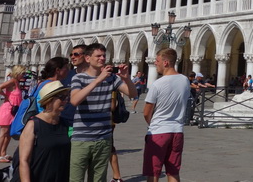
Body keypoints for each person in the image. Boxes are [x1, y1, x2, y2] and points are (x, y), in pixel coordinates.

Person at [69, 43, 137, 182]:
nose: (102, 58)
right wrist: (98, 80)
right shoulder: (78, 78)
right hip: (82, 139)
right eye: (98, 56)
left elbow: (133, 94)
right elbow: (74, 100)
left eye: (104, 56)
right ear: (88, 58)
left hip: (103, 138)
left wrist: (126, 78)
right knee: (76, 179)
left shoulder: (111, 78)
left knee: (99, 179)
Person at [142, 48, 191, 182]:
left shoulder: (157, 84)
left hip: (158, 132)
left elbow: (146, 112)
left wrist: (152, 124)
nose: (155, 63)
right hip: (177, 132)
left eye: (157, 61)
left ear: (165, 62)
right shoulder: (185, 81)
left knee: (153, 172)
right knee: (173, 172)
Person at [11, 80, 72, 182]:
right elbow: (24, 160)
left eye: (66, 97)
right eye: (61, 97)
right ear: (49, 100)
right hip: (37, 177)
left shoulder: (65, 124)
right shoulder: (33, 125)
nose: (65, 101)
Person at [0, 65, 27, 163]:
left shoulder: (17, 83)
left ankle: (3, 153)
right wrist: (6, 96)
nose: (24, 75)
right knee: (3, 132)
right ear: (18, 73)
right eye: (23, 73)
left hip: (13, 110)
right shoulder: (12, 81)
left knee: (8, 133)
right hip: (8, 109)